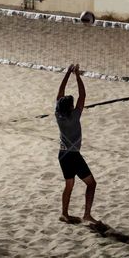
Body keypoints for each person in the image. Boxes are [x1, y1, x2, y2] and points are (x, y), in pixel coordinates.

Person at [56, 64, 97, 224]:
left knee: (69, 185)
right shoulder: (75, 116)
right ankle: (87, 214)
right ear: (71, 108)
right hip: (73, 156)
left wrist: (67, 73)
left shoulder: (58, 115)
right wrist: (78, 76)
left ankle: (64, 214)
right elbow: (83, 95)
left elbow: (60, 95)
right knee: (91, 184)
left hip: (62, 154)